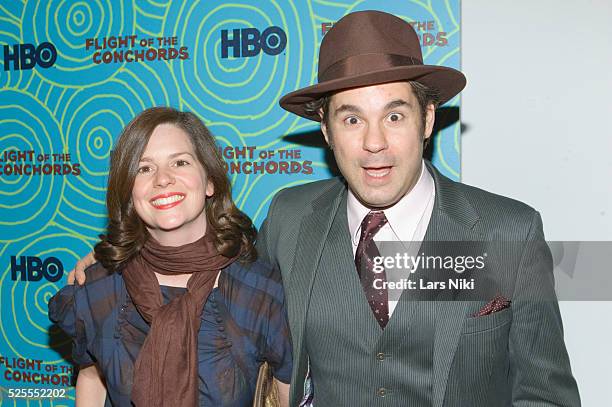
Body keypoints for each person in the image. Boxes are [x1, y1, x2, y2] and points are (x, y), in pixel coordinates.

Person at [70, 10, 581, 406]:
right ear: (326, 131)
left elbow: (545, 394)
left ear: (427, 120)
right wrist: (119, 258)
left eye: (395, 115)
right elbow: (210, 262)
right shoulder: (290, 219)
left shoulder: (508, 233)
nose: (374, 144)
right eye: (352, 119)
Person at [49, 107, 291, 406]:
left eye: (180, 162)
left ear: (210, 181)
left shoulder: (260, 293)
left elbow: (285, 395)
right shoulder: (98, 288)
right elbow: (91, 378)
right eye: (144, 168)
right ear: (129, 190)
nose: (163, 179)